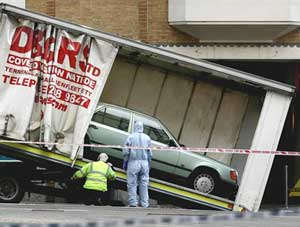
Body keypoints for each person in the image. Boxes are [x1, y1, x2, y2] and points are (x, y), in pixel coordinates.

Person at [123, 121, 152, 208]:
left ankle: (133, 203)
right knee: (144, 184)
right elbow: (150, 153)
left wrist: (125, 161)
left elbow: (126, 151)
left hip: (133, 162)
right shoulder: (147, 137)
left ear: (135, 127)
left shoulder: (131, 137)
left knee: (132, 183)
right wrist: (149, 164)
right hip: (144, 163)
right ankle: (144, 204)